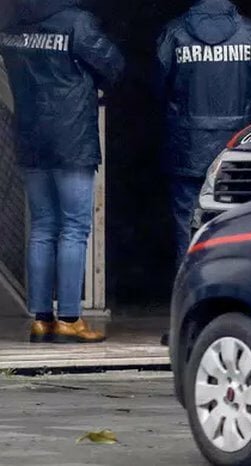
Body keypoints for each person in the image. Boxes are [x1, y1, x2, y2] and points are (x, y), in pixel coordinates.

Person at [0, 0, 124, 344]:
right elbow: (112, 64)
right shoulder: (76, 22)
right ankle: (69, 318)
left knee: (42, 227)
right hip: (71, 137)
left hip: (29, 134)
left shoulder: (10, 25)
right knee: (73, 227)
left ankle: (41, 319)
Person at [156, 0, 251, 267]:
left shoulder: (174, 34)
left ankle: (190, 296)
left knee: (187, 225)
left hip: (187, 146)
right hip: (238, 147)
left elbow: (158, 87)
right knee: (238, 221)